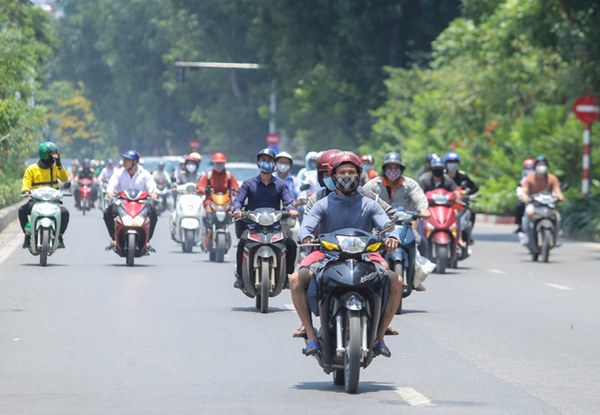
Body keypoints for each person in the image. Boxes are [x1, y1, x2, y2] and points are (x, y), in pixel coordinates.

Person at [290, 151, 402, 358]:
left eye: (352, 171)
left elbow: (386, 224)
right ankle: (311, 334)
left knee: (396, 280)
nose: (347, 176)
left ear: (359, 175)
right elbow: (307, 226)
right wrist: (305, 236)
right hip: (326, 256)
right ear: (332, 176)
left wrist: (392, 236)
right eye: (342, 172)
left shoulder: (370, 203)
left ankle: (379, 337)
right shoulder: (322, 203)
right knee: (296, 279)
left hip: (366, 256)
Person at [231, 148, 299, 289]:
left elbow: (288, 201)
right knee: (242, 243)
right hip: (253, 227)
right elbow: (238, 200)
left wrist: (291, 209)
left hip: (275, 227)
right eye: (263, 160)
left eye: (269, 160)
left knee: (291, 245)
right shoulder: (248, 184)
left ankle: (287, 277)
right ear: (258, 163)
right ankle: (239, 276)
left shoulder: (280, 185)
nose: (266, 163)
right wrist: (237, 210)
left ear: (274, 164)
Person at [363, 151, 430, 279]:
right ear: (384, 169)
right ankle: (369, 274)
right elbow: (362, 197)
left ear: (401, 169)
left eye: (396, 168)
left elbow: (419, 198)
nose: (393, 171)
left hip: (404, 223)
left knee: (421, 241)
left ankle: (417, 274)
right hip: (380, 226)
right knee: (368, 244)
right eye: (389, 167)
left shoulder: (409, 184)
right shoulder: (373, 184)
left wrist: (422, 210)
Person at [103, 150, 158, 250]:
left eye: (127, 160)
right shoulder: (119, 173)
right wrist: (110, 192)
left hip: (142, 204)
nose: (124, 162)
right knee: (107, 213)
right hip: (121, 203)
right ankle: (114, 239)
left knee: (153, 214)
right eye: (124, 159)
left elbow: (151, 185)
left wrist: (153, 193)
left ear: (135, 162)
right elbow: (112, 183)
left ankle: (147, 241)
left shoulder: (144, 174)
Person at [19, 142, 70, 248]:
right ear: (45, 154)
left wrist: (59, 164)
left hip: (53, 201)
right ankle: (27, 236)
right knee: (22, 211)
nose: (55, 156)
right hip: (35, 201)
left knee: (65, 213)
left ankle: (60, 236)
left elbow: (65, 179)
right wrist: (25, 191)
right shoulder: (32, 169)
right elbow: (26, 182)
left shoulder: (56, 167)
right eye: (53, 154)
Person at [196, 152, 240, 249]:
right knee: (204, 217)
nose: (219, 166)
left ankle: (236, 239)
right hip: (210, 202)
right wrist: (202, 189)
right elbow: (199, 186)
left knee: (236, 216)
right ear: (213, 164)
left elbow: (236, 187)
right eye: (217, 164)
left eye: (221, 164)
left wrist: (236, 191)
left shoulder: (229, 176)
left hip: (226, 203)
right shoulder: (208, 175)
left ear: (224, 164)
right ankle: (205, 233)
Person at [519, 156, 564, 244]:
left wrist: (560, 197)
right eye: (539, 164)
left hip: (548, 203)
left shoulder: (552, 178)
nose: (542, 167)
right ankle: (526, 235)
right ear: (535, 166)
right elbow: (524, 190)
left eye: (543, 165)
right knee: (529, 212)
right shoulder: (529, 178)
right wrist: (525, 197)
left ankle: (556, 236)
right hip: (534, 203)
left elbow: (557, 190)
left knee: (557, 216)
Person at [514, 158, 535, 233]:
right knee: (519, 207)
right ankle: (519, 225)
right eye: (527, 167)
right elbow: (520, 186)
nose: (529, 169)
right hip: (527, 195)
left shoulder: (540, 176)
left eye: (531, 167)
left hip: (539, 195)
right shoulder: (524, 176)